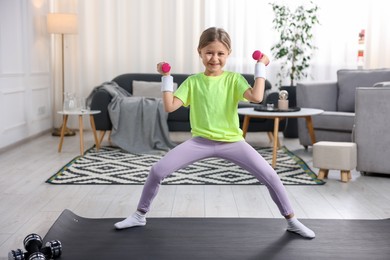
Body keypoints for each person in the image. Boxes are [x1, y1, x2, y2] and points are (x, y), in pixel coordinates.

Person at [114, 27, 315, 239]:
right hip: (200, 142)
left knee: (271, 176)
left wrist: (260, 66)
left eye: (220, 53)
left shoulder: (234, 79)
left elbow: (256, 97)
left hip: (232, 142)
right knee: (157, 171)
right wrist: (166, 77)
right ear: (199, 52)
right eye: (209, 52)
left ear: (228, 54)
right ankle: (139, 215)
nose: (214, 58)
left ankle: (292, 220)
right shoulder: (193, 81)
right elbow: (169, 106)